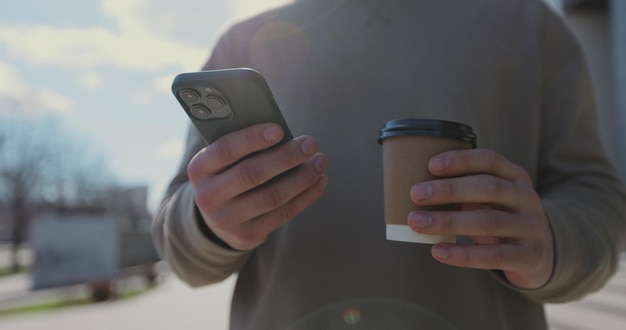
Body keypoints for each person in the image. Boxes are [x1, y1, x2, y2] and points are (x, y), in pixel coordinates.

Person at [152, 0, 626, 329]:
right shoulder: (243, 42)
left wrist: (551, 241)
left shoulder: (532, 28)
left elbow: (597, 196)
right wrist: (208, 223)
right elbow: (178, 235)